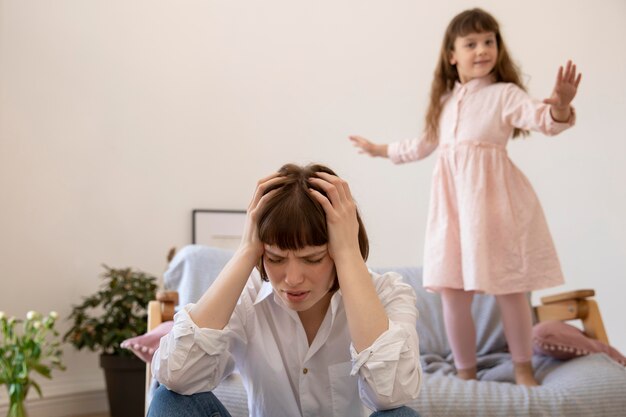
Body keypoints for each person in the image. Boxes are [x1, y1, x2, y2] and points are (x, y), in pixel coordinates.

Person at [349, 8, 581, 386]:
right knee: (452, 293)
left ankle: (524, 369)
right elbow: (420, 145)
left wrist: (559, 105)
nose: (482, 49)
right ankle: (465, 372)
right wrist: (379, 149)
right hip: (452, 213)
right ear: (452, 54)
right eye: (471, 43)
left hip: (496, 207)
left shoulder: (504, 94)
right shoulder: (444, 103)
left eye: (489, 41)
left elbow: (541, 119)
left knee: (510, 288)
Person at [148, 163, 422, 417]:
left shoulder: (388, 293)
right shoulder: (248, 294)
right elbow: (177, 375)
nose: (291, 279)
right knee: (170, 399)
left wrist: (350, 252)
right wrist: (247, 251)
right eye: (276, 259)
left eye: (312, 259)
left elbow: (392, 395)